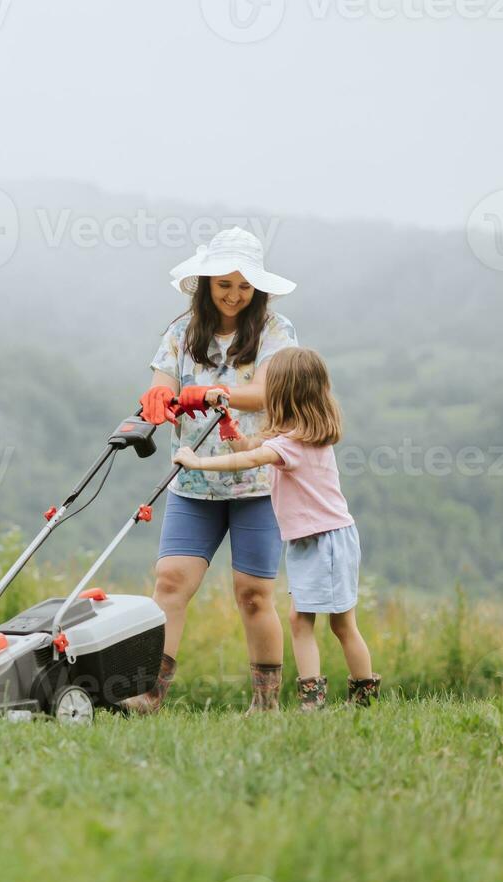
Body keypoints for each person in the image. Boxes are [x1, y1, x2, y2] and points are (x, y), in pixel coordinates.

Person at [124, 227, 299, 714]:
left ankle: (266, 706)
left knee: (254, 595)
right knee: (171, 582)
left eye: (244, 287)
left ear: (258, 289)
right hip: (193, 481)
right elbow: (161, 381)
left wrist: (211, 395)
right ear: (205, 284)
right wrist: (159, 398)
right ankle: (149, 693)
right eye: (224, 285)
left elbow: (268, 391)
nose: (234, 296)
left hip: (256, 479)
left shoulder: (276, 332)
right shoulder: (181, 332)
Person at [173, 347, 381, 710]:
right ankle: (343, 700)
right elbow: (249, 446)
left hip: (325, 542)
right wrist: (227, 423)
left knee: (322, 623)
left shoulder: (294, 444)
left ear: (284, 395)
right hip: (317, 541)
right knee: (325, 623)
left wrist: (196, 462)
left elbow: (251, 459)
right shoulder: (299, 436)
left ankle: (333, 701)